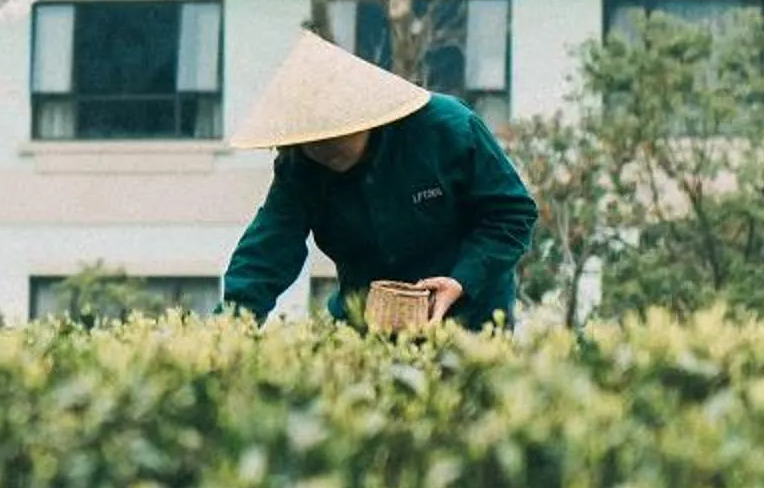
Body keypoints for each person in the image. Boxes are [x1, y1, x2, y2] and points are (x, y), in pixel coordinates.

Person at [221, 28, 538, 329]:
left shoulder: (448, 129)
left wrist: (463, 279)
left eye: (333, 137)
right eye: (311, 141)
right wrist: (232, 323)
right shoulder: (299, 165)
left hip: (469, 315)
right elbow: (269, 247)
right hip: (365, 320)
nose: (320, 148)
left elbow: (511, 214)